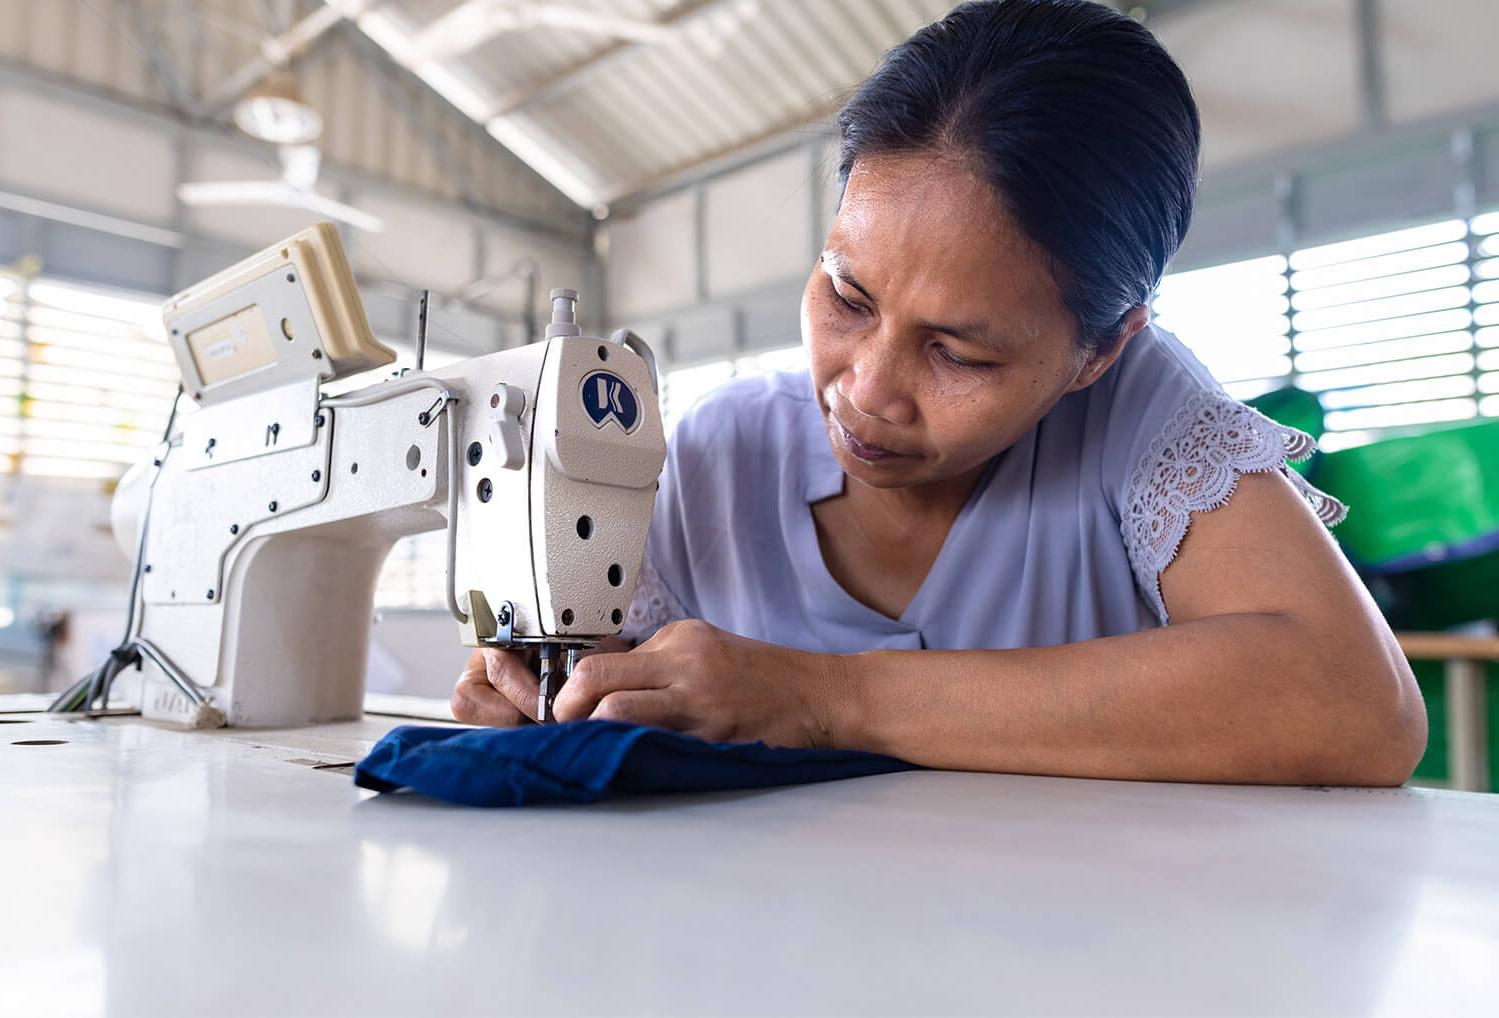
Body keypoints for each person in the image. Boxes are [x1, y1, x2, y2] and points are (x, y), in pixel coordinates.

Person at [453, 0, 1427, 785]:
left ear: (1100, 348)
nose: (867, 391)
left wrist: (829, 698)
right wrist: (540, 697)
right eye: (845, 295)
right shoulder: (715, 457)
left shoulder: (1139, 416)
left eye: (958, 353)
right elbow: (604, 688)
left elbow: (1356, 706)